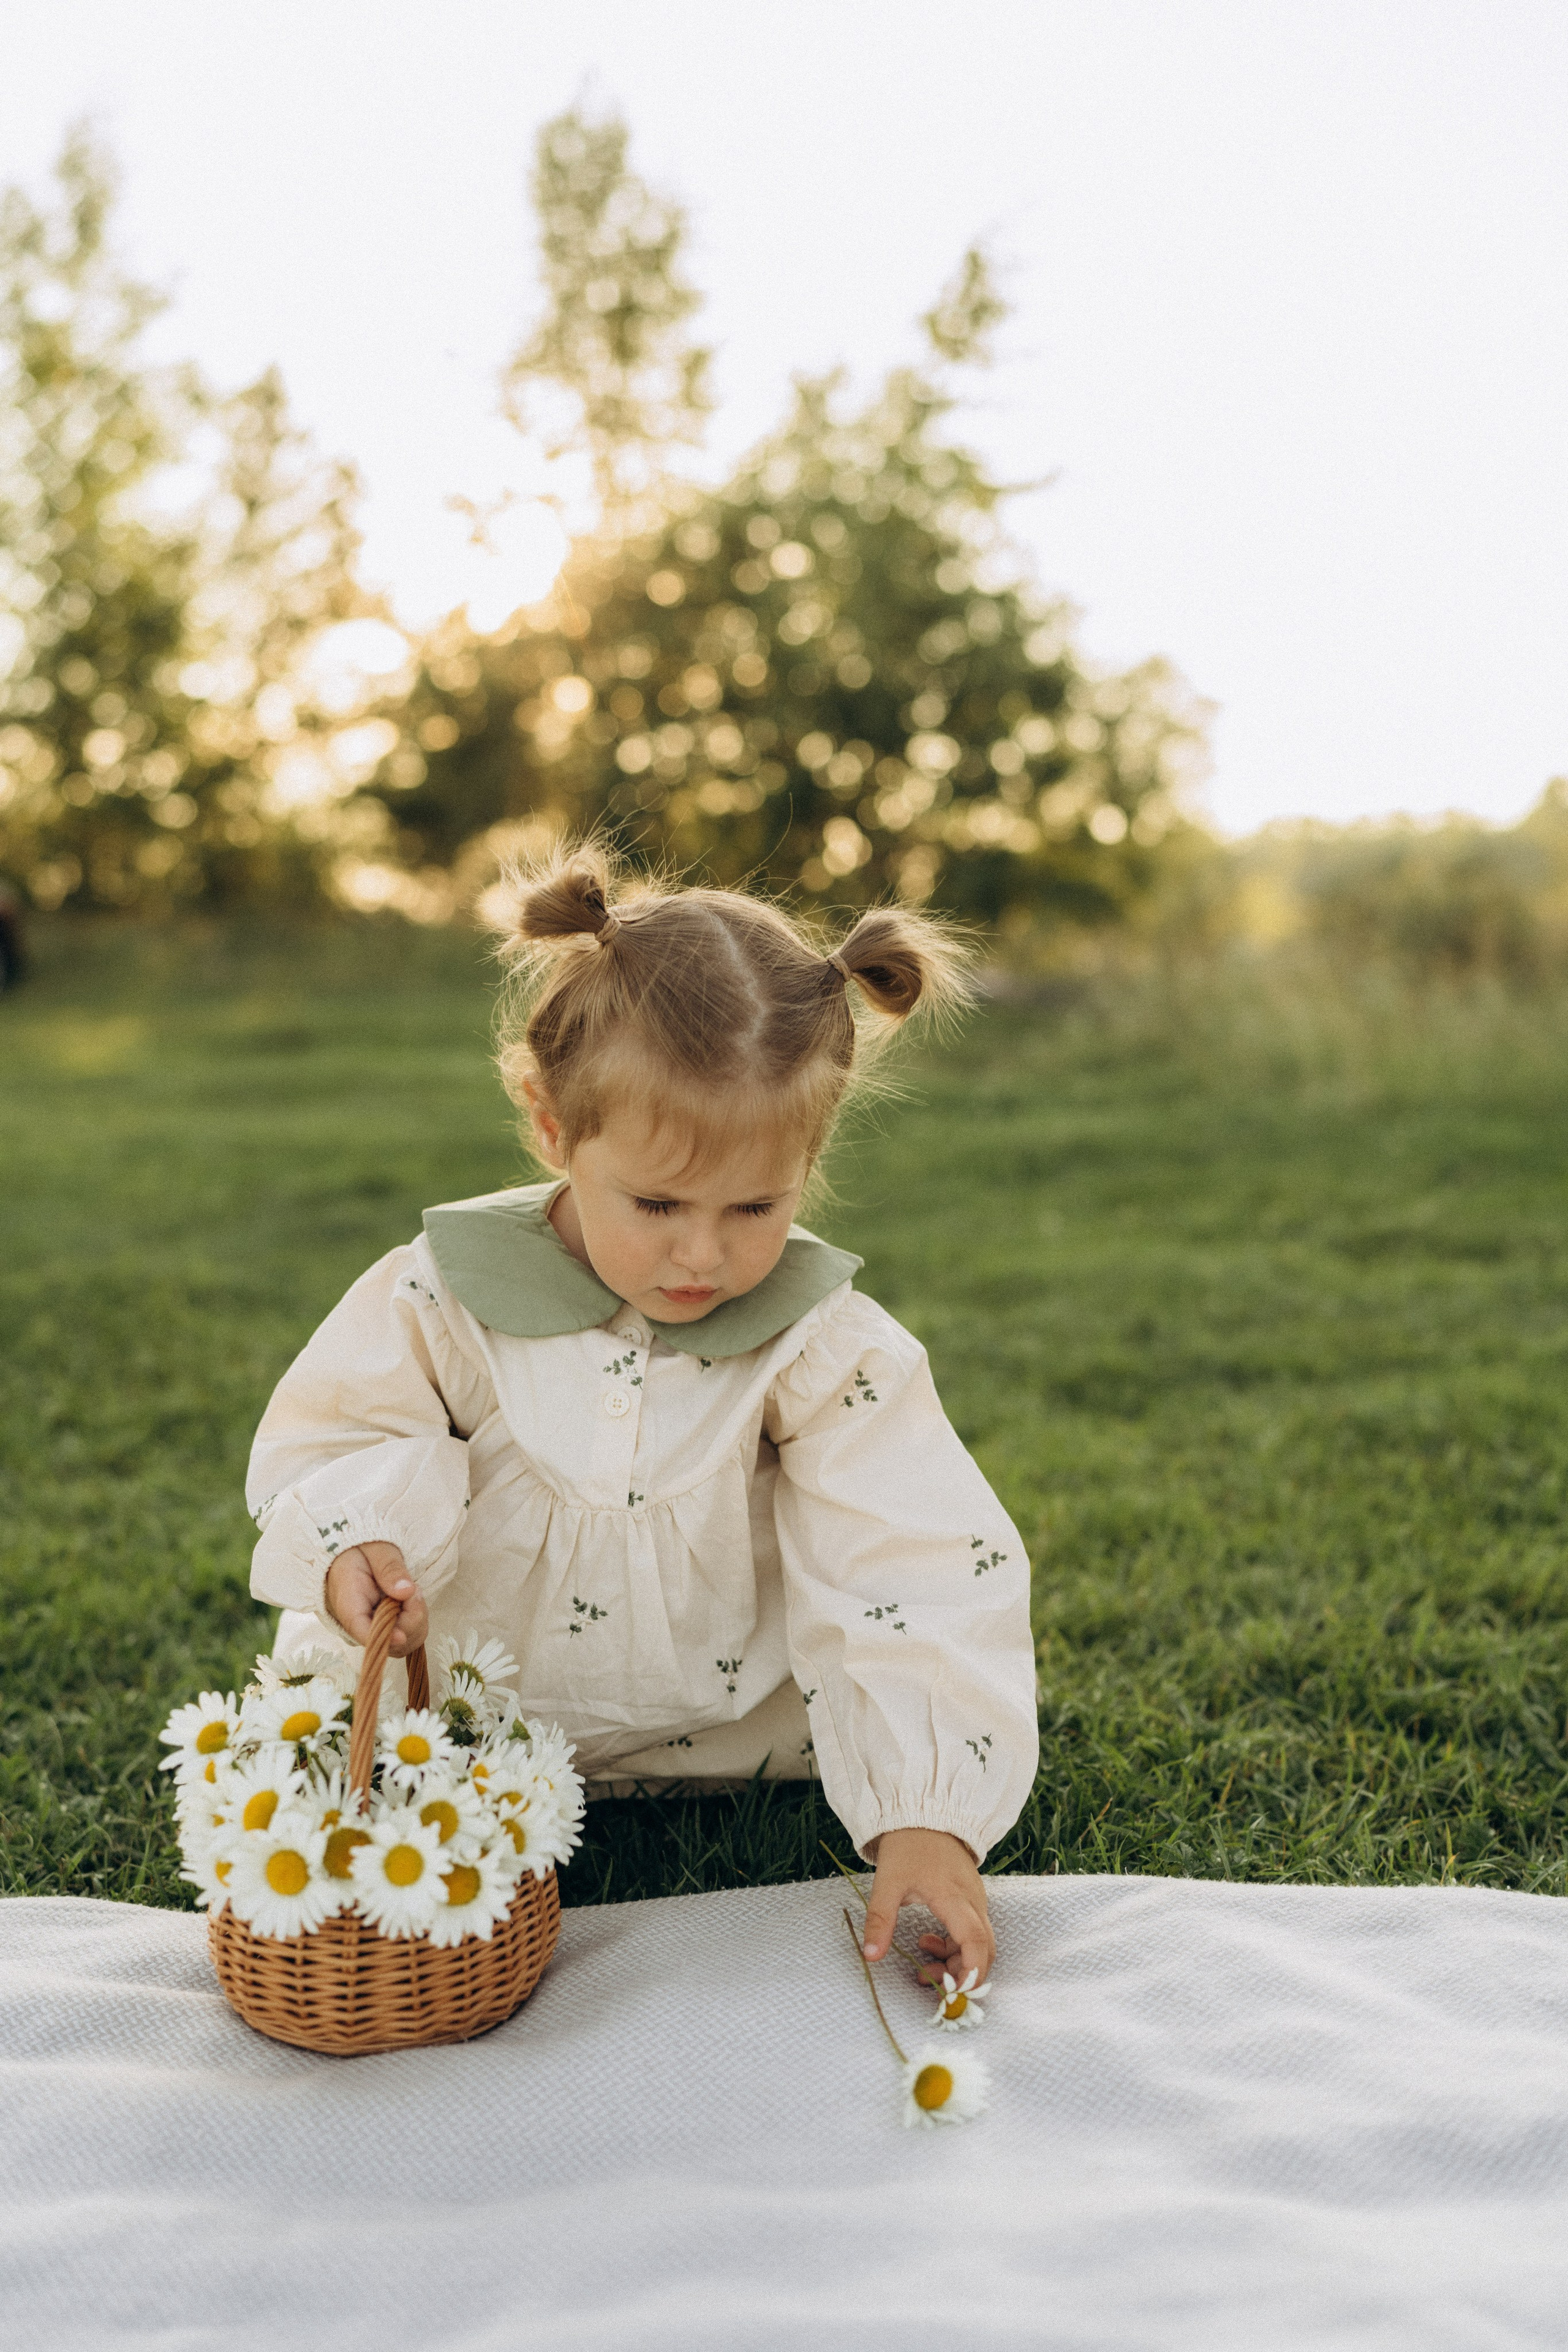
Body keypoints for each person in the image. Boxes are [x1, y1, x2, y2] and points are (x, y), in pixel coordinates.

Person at [247, 849, 1038, 1983]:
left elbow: (907, 1552)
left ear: (810, 1161)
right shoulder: (442, 1296)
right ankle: (405, 1770)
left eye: (755, 1205)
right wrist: (359, 1546)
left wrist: (926, 1817)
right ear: (552, 1127)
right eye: (657, 1203)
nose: (703, 1255)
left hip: (737, 1742)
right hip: (458, 1724)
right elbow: (346, 1433)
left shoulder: (820, 1340)